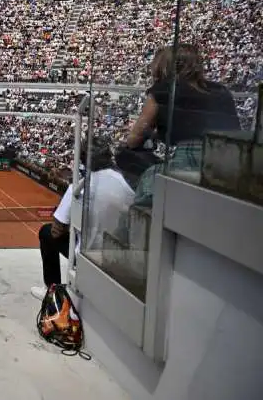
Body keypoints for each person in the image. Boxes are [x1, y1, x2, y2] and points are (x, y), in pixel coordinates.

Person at [124, 44, 240, 205]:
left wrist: (150, 135)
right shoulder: (221, 90)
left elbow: (134, 138)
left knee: (137, 170)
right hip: (227, 166)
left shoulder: (163, 90)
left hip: (189, 163)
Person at [31, 136, 134, 300]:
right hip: (121, 257)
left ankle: (52, 290)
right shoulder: (127, 185)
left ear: (83, 160)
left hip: (88, 257)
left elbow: (57, 231)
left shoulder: (79, 187)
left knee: (46, 232)